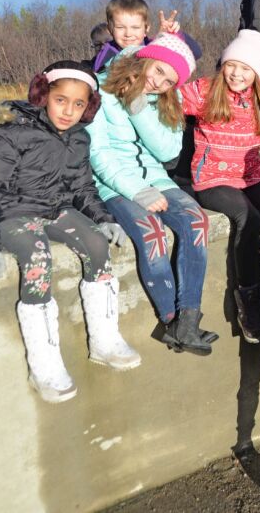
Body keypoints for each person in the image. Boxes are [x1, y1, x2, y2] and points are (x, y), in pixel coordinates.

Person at [0, 62, 139, 403]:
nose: (68, 112)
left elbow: (82, 187)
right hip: (12, 213)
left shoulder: (78, 138)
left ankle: (105, 339)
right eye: (61, 100)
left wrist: (102, 218)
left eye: (78, 104)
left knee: (96, 244)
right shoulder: (11, 130)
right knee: (37, 257)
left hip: (55, 209)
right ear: (44, 95)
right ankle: (44, 362)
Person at [88, 33, 215, 355]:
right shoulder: (100, 90)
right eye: (158, 71)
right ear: (145, 59)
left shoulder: (167, 101)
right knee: (151, 233)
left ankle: (188, 319)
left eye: (169, 80)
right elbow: (99, 155)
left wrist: (138, 107)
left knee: (197, 221)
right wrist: (137, 191)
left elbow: (167, 150)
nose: (159, 82)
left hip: (157, 178)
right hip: (114, 183)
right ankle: (170, 319)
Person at [180, 29, 260, 342]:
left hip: (249, 176)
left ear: (257, 73)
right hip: (212, 178)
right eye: (231, 65)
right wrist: (166, 42)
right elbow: (165, 88)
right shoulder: (205, 91)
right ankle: (248, 304)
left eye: (246, 68)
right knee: (247, 218)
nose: (237, 73)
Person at [92, 0, 201, 74]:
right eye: (120, 27)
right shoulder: (107, 57)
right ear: (110, 29)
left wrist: (169, 36)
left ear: (146, 28)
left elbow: (195, 53)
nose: (128, 33)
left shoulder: (153, 46)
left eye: (135, 27)